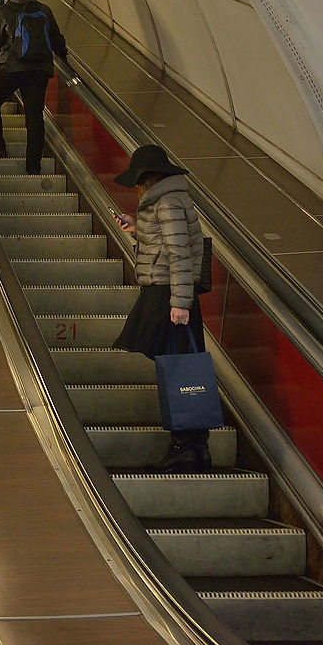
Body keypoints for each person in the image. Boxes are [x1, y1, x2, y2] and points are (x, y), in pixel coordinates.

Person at [110, 144, 210, 472]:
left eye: (137, 183)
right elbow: (168, 244)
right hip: (169, 293)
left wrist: (180, 303)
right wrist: (138, 230)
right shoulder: (169, 200)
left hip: (169, 295)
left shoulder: (165, 202)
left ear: (146, 180)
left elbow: (179, 253)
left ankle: (187, 447)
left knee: (178, 369)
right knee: (177, 366)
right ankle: (193, 448)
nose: (136, 190)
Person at [0, 0, 68, 171]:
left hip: (11, 68)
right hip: (39, 69)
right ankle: (33, 166)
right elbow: (56, 38)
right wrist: (62, 55)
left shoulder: (2, 11)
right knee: (34, 115)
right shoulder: (44, 10)